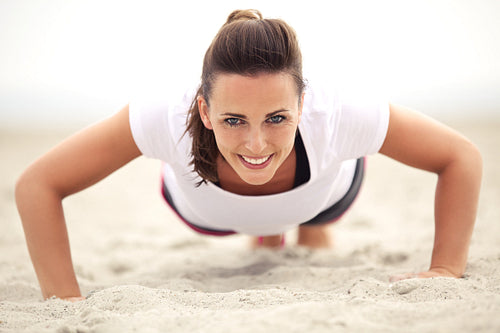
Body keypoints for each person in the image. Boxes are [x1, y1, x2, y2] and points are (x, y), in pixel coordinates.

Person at [15, 9, 482, 301]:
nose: (256, 145)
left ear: (302, 105)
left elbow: (460, 157)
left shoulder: (339, 111)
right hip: (205, 211)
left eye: (277, 118)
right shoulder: (163, 114)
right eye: (234, 120)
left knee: (310, 223)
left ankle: (298, 231)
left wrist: (444, 269)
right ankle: (272, 233)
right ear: (203, 108)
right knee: (268, 188)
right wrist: (66, 300)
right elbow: (38, 185)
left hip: (323, 197)